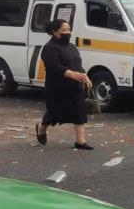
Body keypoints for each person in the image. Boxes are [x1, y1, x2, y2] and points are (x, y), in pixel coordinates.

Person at [35, 19, 94, 150]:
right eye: (63, 31)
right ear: (54, 32)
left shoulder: (72, 47)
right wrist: (71, 74)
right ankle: (41, 127)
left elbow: (77, 65)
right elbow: (53, 66)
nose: (67, 33)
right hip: (58, 87)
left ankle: (80, 141)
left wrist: (85, 77)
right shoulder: (49, 47)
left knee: (79, 112)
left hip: (75, 85)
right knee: (54, 113)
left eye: (68, 30)